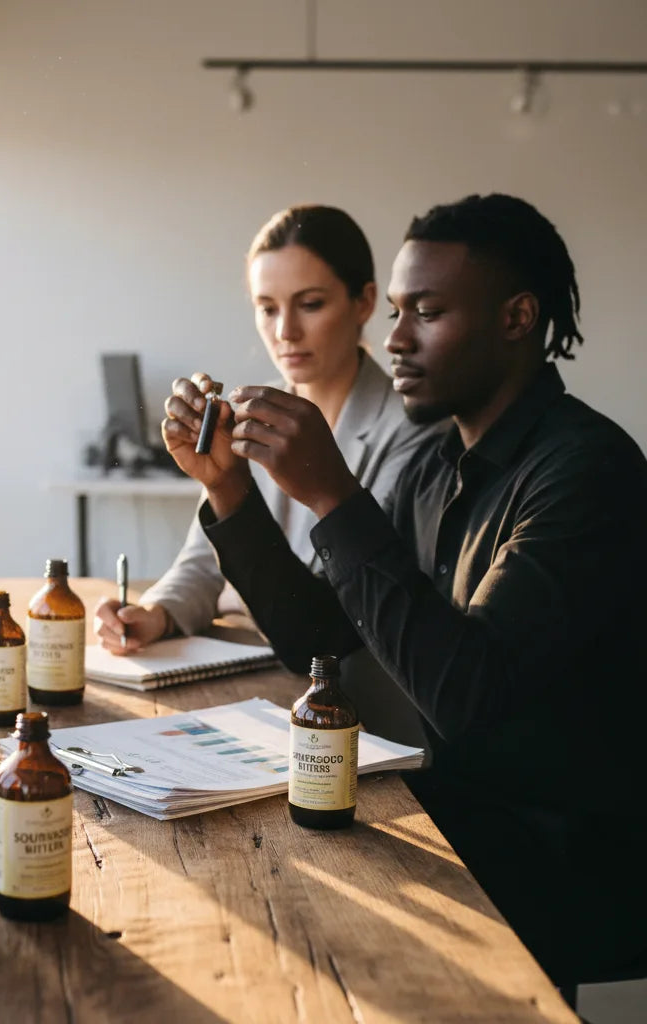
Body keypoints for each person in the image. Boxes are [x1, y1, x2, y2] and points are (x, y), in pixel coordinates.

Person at [162, 192, 647, 990]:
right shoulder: (431, 465)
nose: (393, 340)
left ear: (517, 317)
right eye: (393, 311)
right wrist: (229, 494)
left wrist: (333, 499)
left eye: (425, 312)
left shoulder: (585, 472)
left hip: (560, 860)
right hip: (449, 817)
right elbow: (326, 639)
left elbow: (468, 698)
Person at [94, 206, 440, 732]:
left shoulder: (409, 431)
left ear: (365, 302)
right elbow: (204, 562)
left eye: (311, 304)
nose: (285, 331)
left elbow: (341, 618)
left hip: (360, 718)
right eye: (266, 307)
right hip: (272, 691)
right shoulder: (259, 414)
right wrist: (157, 613)